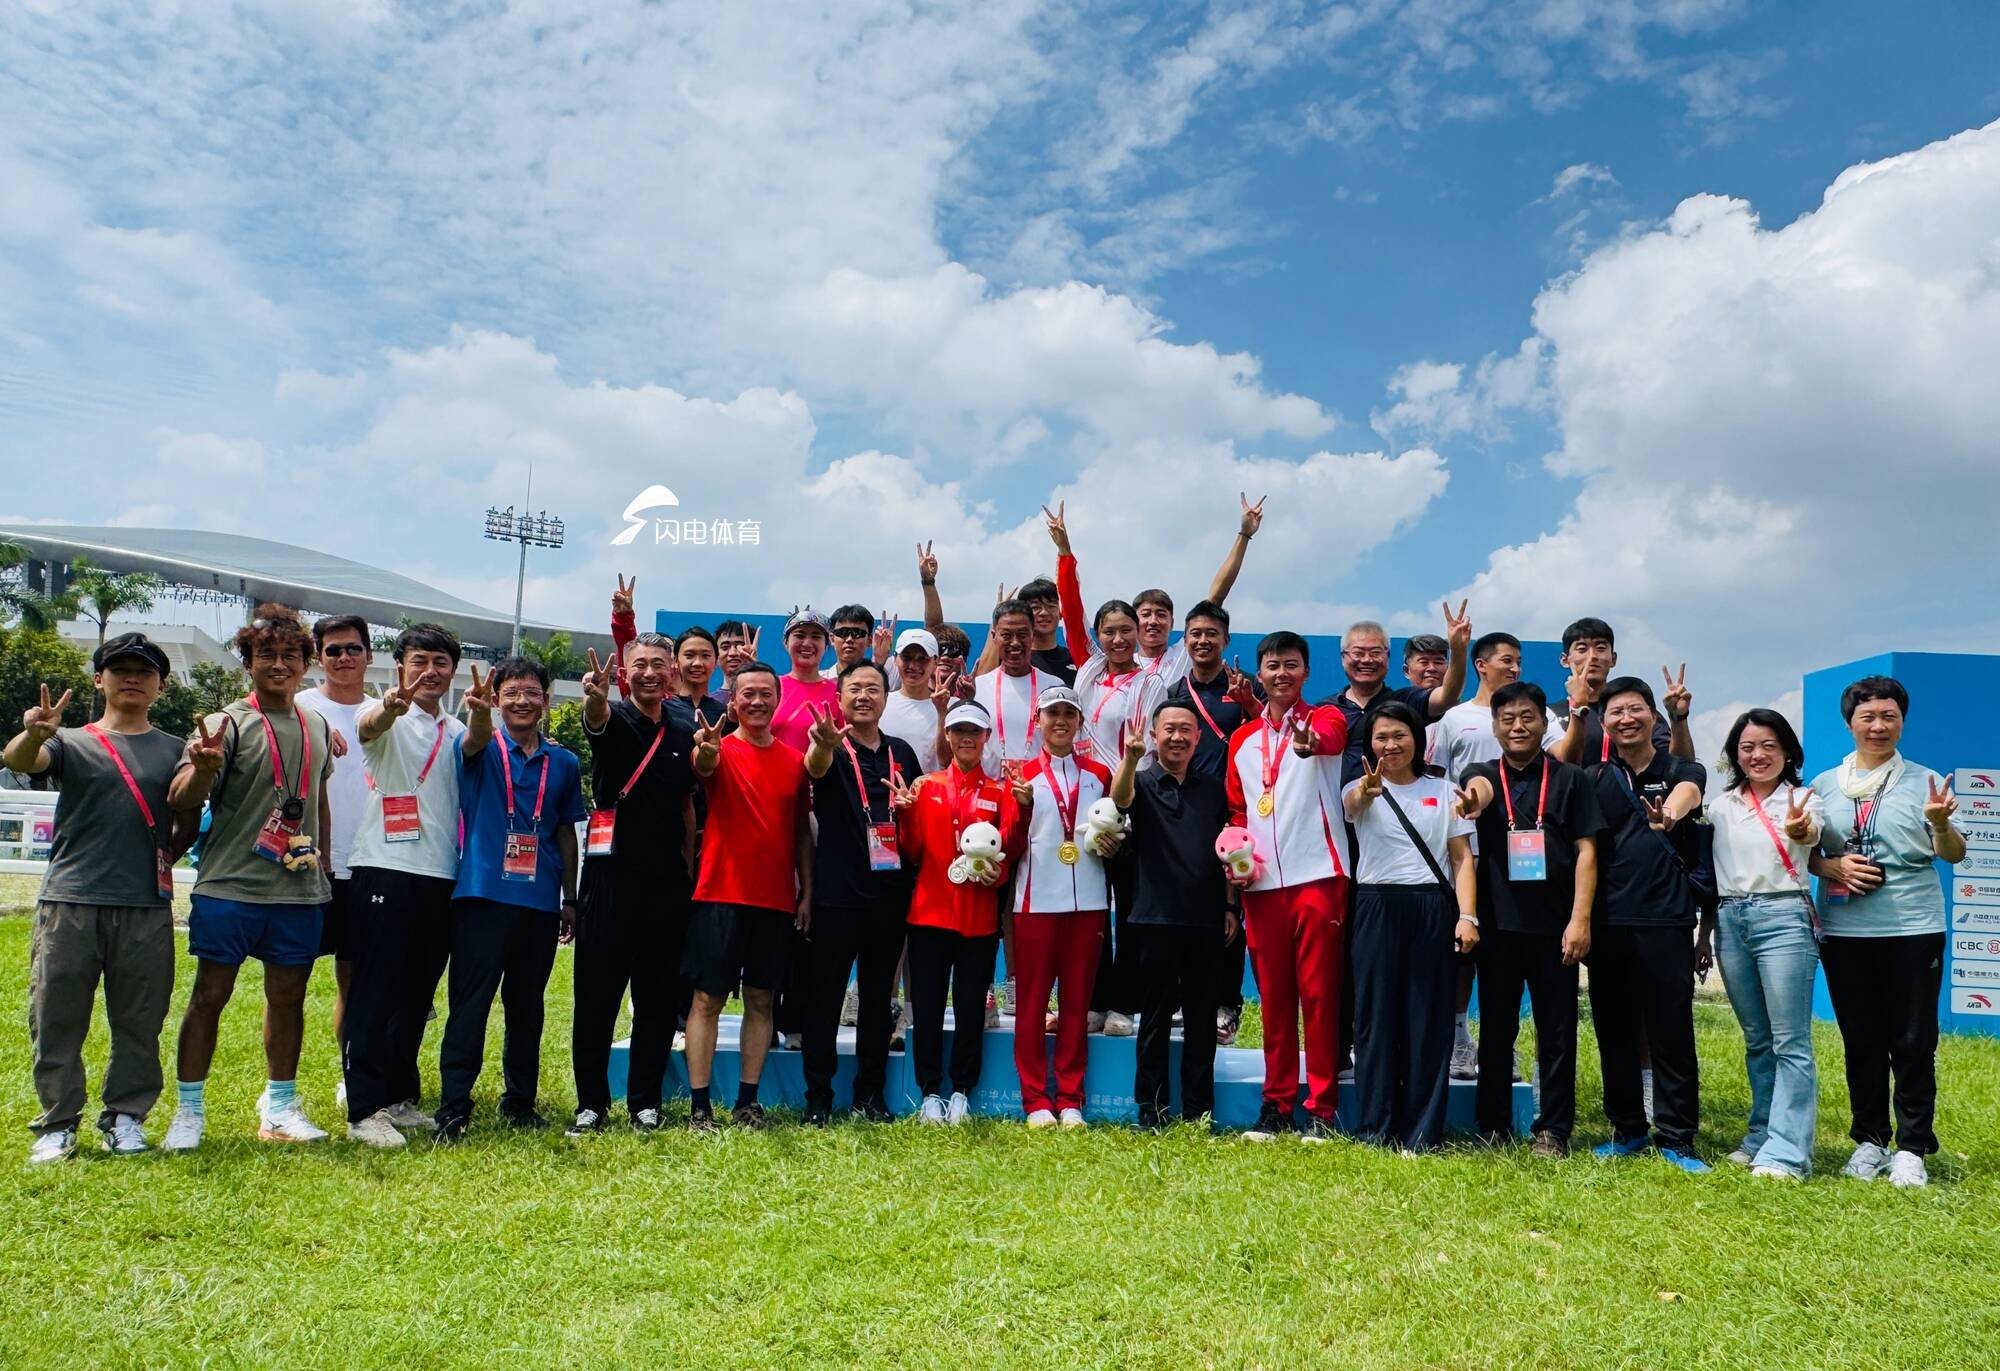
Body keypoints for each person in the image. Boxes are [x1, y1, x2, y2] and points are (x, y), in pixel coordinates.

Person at [8, 635, 193, 1162]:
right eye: (119, 669)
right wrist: (32, 734)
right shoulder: (69, 740)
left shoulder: (175, 748)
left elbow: (186, 814)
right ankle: (57, 1121)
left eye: (144, 671)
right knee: (57, 1014)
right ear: (99, 679)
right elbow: (23, 759)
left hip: (144, 904)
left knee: (140, 1018)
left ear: (160, 685)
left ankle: (126, 1115)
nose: (131, 678)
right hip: (71, 898)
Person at [163, 604, 336, 1151]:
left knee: (288, 996)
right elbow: (181, 796)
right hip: (231, 885)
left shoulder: (316, 724)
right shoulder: (226, 723)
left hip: (297, 888)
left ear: (305, 663)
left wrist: (325, 866)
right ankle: (188, 1112)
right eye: (267, 655)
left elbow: (318, 800)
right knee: (209, 994)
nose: (279, 664)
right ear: (248, 663)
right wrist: (203, 770)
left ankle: (280, 1107)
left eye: (290, 655)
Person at [1809, 675, 1964, 1189]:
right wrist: (1830, 866)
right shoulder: (1825, 785)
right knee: (1861, 1038)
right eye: (1868, 717)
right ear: (1849, 723)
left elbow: (1954, 853)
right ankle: (1870, 1140)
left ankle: (1912, 1147)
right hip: (1845, 930)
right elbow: (1804, 852)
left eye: (1889, 717)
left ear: (1902, 721)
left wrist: (1940, 823)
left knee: (1914, 1039)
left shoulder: (1926, 781)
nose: (1878, 726)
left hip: (1912, 927)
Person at [434, 656, 586, 1141]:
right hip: (482, 895)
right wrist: (479, 714)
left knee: (527, 1007)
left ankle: (520, 1101)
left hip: (539, 903)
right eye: (511, 693)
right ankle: (454, 1106)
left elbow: (565, 832)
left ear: (547, 700)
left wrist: (570, 898)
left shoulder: (564, 763)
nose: (522, 701)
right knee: (470, 1004)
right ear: (497, 700)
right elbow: (475, 737)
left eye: (532, 692)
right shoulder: (478, 747)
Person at [1452, 681, 1603, 1157]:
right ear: (1495, 726)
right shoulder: (1482, 773)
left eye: (1527, 718)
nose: (1517, 727)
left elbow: (1587, 851)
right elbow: (1477, 792)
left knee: (1557, 1032)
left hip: (1556, 928)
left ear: (1543, 722)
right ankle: (1492, 1125)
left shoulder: (1571, 779)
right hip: (1498, 927)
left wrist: (1580, 920)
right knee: (1497, 1030)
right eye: (1507, 719)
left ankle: (1553, 1130)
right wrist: (1472, 801)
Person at [341, 623, 467, 1147]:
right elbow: (369, 726)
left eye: (440, 662)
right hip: (384, 868)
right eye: (420, 661)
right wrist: (391, 707)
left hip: (440, 874)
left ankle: (398, 1097)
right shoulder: (383, 713)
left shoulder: (457, 731)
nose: (429, 672)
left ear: (453, 671)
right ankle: (363, 1109)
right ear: (400, 667)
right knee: (375, 992)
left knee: (416, 995)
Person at [1581, 676, 1712, 1174]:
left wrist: (1669, 814)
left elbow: (1689, 792)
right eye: (1616, 712)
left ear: (1653, 717)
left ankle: (1678, 1137)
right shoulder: (1593, 778)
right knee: (1614, 1029)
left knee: (1670, 1030)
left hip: (1666, 918)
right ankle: (1628, 1130)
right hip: (1609, 920)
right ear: (1604, 723)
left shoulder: (1680, 768)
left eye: (1635, 709)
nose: (1626, 719)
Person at [1223, 631, 1349, 1142]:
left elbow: (1332, 740)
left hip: (1317, 877)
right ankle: (1276, 1106)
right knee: (1274, 1000)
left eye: (1291, 665)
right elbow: (1239, 810)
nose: (1282, 674)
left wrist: (1309, 742)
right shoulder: (1242, 740)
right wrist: (1236, 856)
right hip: (1262, 886)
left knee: (1318, 995)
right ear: (1261, 673)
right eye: (1273, 666)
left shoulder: (1325, 717)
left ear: (1306, 672)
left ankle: (1320, 1110)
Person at [568, 636, 697, 1136]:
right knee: (596, 998)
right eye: (639, 664)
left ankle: (645, 1102)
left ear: (671, 674)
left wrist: (686, 867)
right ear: (625, 671)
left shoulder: (683, 729)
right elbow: (596, 719)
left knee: (657, 1000)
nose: (648, 673)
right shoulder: (614, 716)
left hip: (665, 885)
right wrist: (595, 698)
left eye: (658, 665)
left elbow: (687, 804)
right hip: (608, 879)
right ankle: (591, 1104)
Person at [1341, 700, 1478, 1152]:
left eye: (1399, 735)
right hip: (1376, 906)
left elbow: (1461, 858)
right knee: (1375, 1019)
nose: (1391, 744)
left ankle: (1421, 1134)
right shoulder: (1359, 788)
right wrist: (1368, 789)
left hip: (1431, 907)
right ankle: (1375, 1129)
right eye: (1381, 737)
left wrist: (1467, 916)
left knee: (1427, 1019)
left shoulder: (1445, 790)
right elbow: (1354, 804)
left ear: (1417, 739)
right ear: (1369, 743)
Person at [684, 660, 812, 1132]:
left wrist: (806, 891)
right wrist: (707, 750)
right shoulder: (717, 747)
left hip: (775, 900)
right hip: (720, 894)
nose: (757, 701)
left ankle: (747, 1102)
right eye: (748, 694)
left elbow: (801, 833)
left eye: (765, 694)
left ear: (777, 700)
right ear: (733, 701)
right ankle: (700, 1107)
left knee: (762, 1001)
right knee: (707, 1000)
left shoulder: (795, 762)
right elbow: (703, 765)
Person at [800, 662, 924, 1124]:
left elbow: (915, 810)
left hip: (889, 895)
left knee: (877, 999)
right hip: (837, 894)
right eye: (855, 688)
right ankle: (818, 1098)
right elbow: (814, 769)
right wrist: (822, 744)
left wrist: (911, 806)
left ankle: (869, 1094)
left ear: (886, 699)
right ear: (840, 697)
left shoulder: (901, 752)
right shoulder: (830, 744)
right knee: (825, 998)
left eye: (874, 688)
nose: (864, 696)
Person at [1430, 631, 1556, 1079]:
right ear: (1480, 665)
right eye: (1506, 660)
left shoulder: (1542, 717)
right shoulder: (1454, 718)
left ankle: (1510, 1049)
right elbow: (1437, 778)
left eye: (1519, 660)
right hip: (1467, 855)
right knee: (1464, 952)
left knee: (1513, 962)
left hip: (1525, 859)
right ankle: (1460, 1039)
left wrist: (1579, 708)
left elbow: (1562, 755)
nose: (1515, 667)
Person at [1710, 708, 1823, 1180]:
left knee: (1789, 1041)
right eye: (1747, 747)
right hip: (1730, 918)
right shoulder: (1720, 807)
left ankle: (1788, 1152)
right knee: (1757, 1040)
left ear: (1787, 752)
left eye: (1768, 746)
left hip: (1783, 917)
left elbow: (1809, 832)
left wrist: (1799, 828)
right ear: (1735, 755)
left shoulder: (1805, 799)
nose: (1758, 755)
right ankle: (1761, 1134)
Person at [1112, 699, 1233, 1129]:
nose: (1177, 737)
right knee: (1156, 1018)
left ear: (1198, 737)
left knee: (1201, 1019)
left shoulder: (1214, 789)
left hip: (1205, 919)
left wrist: (1230, 905)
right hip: (1154, 919)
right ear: (1154, 736)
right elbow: (1119, 801)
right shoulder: (1140, 782)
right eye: (1169, 729)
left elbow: (1227, 850)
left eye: (1186, 730)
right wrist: (1130, 758)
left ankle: (1198, 1110)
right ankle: (1152, 1107)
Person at [898, 702, 1017, 1124]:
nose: (967, 738)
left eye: (975, 732)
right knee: (927, 1007)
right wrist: (905, 814)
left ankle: (963, 1091)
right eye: (959, 731)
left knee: (971, 1010)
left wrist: (998, 875)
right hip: (928, 916)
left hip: (979, 918)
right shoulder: (925, 786)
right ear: (947, 736)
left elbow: (1010, 851)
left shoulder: (1002, 791)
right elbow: (912, 851)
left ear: (987, 738)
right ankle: (930, 1092)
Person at [1004, 686, 1114, 1128]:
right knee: (1031, 1006)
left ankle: (1070, 1098)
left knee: (1076, 1006)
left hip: (1088, 904)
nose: (1061, 721)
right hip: (1035, 904)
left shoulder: (1100, 775)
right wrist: (1022, 810)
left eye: (1069, 713)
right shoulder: (1021, 776)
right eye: (1053, 714)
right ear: (1038, 721)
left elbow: (1112, 836)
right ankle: (1035, 1100)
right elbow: (1009, 847)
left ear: (1080, 722)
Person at [1163, 601, 1263, 1046]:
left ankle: (1227, 1005)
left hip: (1236, 812)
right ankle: (1180, 998)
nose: (1203, 641)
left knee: (1232, 909)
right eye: (1195, 634)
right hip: (1189, 811)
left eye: (1211, 633)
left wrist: (1249, 703)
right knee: (1187, 904)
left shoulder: (1245, 686)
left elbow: (1269, 733)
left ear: (1226, 639)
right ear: (1185, 640)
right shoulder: (1175, 690)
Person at [297, 613, 372, 1065]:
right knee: (288, 981)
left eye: (353, 648)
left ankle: (352, 1075)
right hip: (304, 863)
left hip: (365, 864)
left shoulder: (385, 712)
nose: (344, 657)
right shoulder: (298, 708)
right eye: (333, 650)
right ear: (317, 658)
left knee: (355, 979)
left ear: (368, 655)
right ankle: (278, 1089)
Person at [1548, 618, 1693, 766]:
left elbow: (1680, 767)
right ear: (1565, 660)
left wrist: (1678, 718)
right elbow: (1565, 762)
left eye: (1601, 648)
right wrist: (1578, 706)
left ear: (1613, 659)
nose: (1592, 657)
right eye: (1582, 649)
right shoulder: (1550, 715)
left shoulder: (1639, 713)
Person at [880, 626, 949, 769]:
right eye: (907, 657)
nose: (913, 666)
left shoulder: (951, 706)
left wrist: (942, 712)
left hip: (933, 784)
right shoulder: (881, 703)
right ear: (895, 659)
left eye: (923, 659)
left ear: (936, 661)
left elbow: (949, 761)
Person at [772, 608, 838, 755]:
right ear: (785, 643)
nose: (807, 643)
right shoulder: (771, 687)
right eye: (799, 635)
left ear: (826, 645)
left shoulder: (837, 693)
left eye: (816, 637)